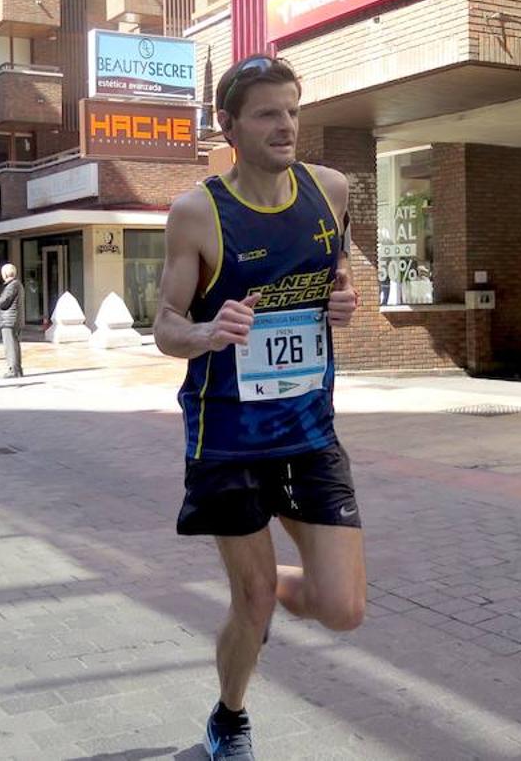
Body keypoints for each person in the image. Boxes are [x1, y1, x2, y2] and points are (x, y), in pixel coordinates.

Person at [153, 55, 365, 761]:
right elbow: (165, 325)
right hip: (229, 439)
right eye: (268, 113)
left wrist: (344, 301)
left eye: (293, 111)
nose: (286, 126)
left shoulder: (329, 191)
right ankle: (230, 716)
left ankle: (268, 590)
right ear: (230, 125)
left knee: (343, 609)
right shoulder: (198, 213)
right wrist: (208, 333)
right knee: (251, 601)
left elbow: (339, 280)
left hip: (307, 430)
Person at [0, 263, 24, 378]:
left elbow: (2, 303)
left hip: (9, 320)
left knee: (10, 346)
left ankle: (13, 370)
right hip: (14, 319)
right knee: (14, 344)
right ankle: (17, 369)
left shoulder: (12, 285)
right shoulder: (16, 285)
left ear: (5, 274)